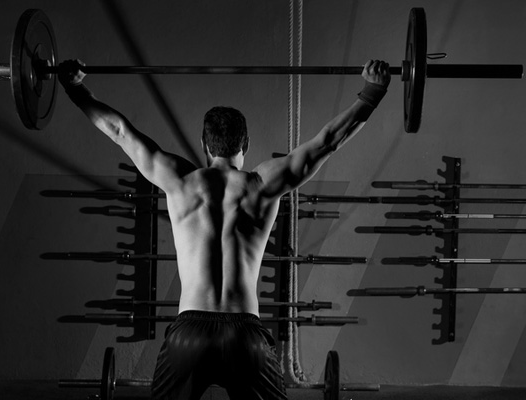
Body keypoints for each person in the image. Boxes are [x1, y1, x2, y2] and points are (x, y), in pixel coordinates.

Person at [59, 59, 390, 400]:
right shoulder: (262, 184)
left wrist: (75, 89)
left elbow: (119, 131)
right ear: (244, 145)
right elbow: (328, 142)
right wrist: (372, 91)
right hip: (245, 336)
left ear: (205, 145)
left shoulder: (179, 180)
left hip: (189, 334)